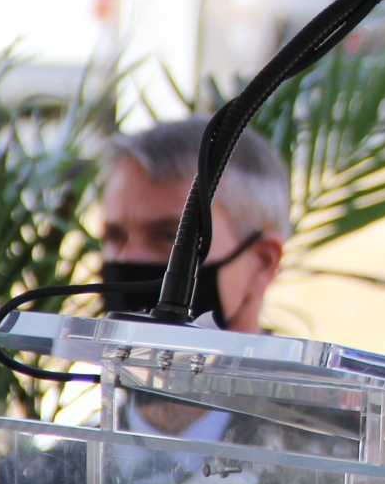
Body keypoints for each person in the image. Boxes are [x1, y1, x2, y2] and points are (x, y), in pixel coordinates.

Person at [97, 120, 289, 438]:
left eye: (170, 236)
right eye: (115, 236)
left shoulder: (344, 470)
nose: (128, 259)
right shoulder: (52, 473)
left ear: (261, 262)